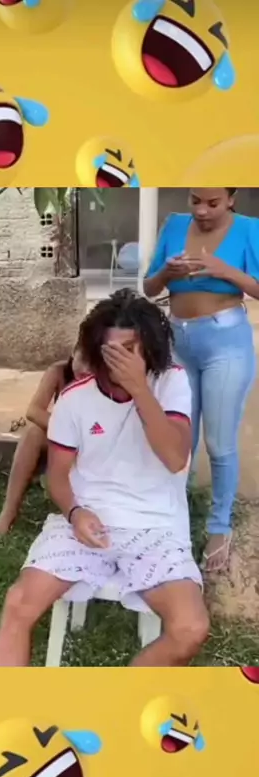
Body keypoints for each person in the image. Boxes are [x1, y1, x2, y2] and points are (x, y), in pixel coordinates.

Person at [0, 289, 209, 668]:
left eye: (131, 350)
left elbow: (175, 458)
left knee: (190, 628)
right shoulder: (74, 398)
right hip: (85, 523)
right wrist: (74, 513)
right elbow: (58, 477)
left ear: (150, 349)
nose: (121, 361)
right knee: (18, 604)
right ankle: (8, 704)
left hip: (155, 527)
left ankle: (120, 697)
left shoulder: (170, 382)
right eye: (111, 351)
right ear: (95, 350)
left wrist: (139, 389)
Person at [144, 188, 259, 572]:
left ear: (231, 199)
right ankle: (175, 511)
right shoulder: (174, 225)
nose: (202, 211)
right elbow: (149, 287)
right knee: (180, 436)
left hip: (225, 342)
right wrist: (167, 273)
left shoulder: (249, 229)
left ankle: (219, 526)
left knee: (218, 441)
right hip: (178, 342)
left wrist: (225, 271)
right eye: (195, 201)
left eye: (212, 203)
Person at [0, 347, 89, 535]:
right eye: (82, 358)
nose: (85, 369)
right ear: (74, 353)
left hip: (92, 445)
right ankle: (8, 514)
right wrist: (68, 431)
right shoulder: (59, 372)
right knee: (33, 434)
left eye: (93, 363)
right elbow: (33, 411)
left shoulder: (104, 380)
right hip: (66, 440)